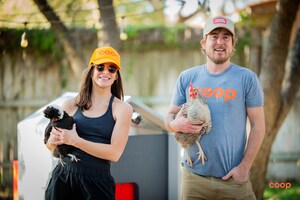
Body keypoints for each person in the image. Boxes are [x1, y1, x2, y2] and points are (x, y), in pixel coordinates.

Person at [164, 16, 265, 200]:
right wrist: (175, 125)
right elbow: (169, 117)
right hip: (193, 180)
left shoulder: (246, 79)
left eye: (226, 37)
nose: (220, 42)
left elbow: (259, 126)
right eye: (214, 36)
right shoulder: (187, 77)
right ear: (204, 43)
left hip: (233, 180)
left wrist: (244, 168)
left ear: (233, 44)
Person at [45, 46, 133, 200]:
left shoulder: (122, 109)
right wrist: (53, 141)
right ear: (91, 71)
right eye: (100, 67)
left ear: (116, 76)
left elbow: (114, 154)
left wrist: (75, 141)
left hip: (97, 184)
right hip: (63, 179)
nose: (106, 72)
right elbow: (51, 147)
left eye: (112, 68)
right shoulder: (70, 104)